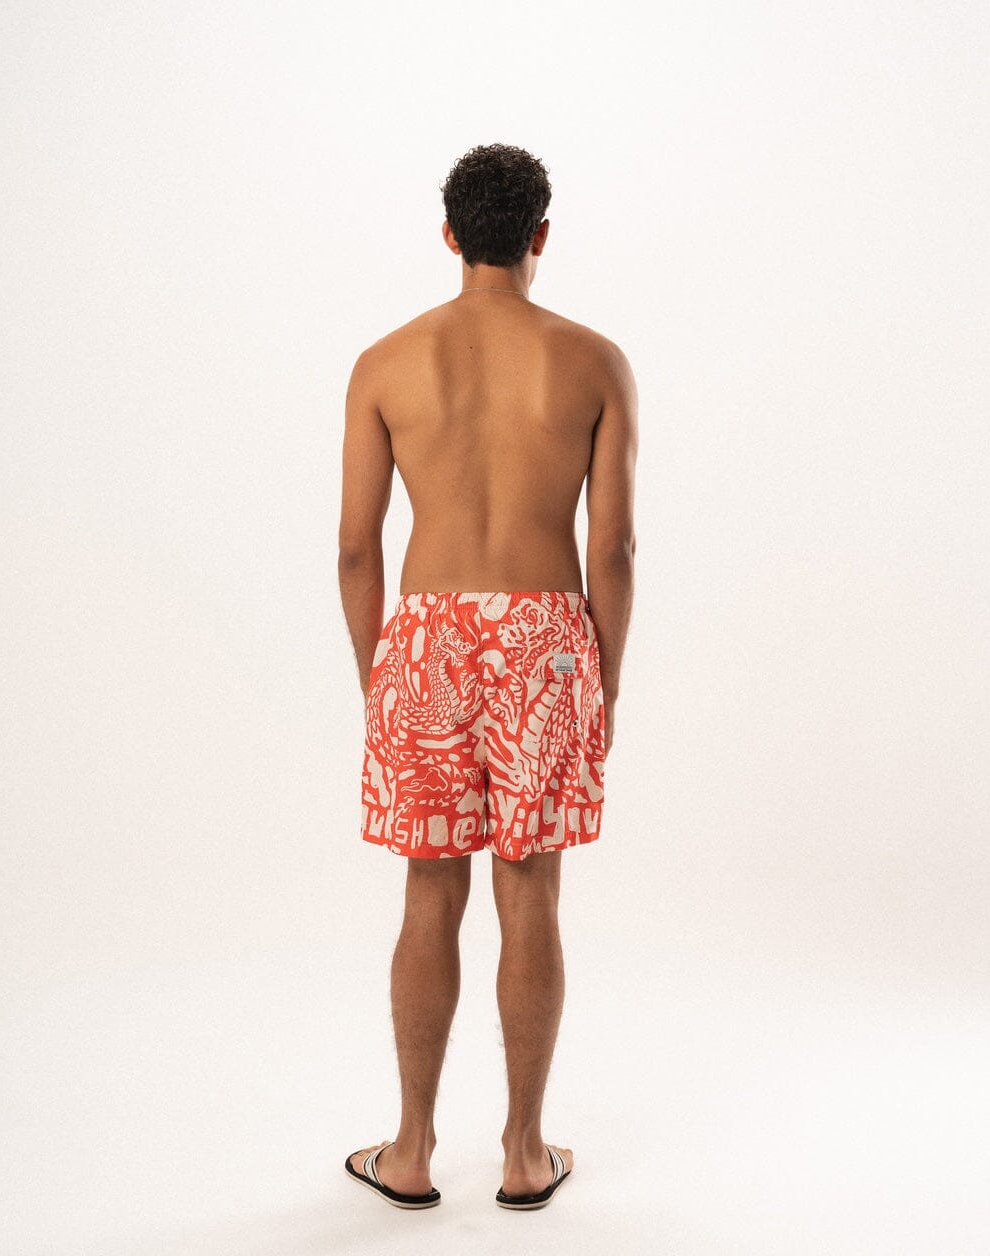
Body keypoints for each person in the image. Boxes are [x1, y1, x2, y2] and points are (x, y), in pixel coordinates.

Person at [338, 142, 638, 1210]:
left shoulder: (386, 362)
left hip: (425, 636)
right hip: (546, 638)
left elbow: (357, 549)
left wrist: (382, 675)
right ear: (540, 234)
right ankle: (522, 1151)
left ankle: (411, 1149)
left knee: (429, 886)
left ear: (450, 234)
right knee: (530, 886)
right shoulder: (593, 361)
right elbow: (613, 550)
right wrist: (602, 677)